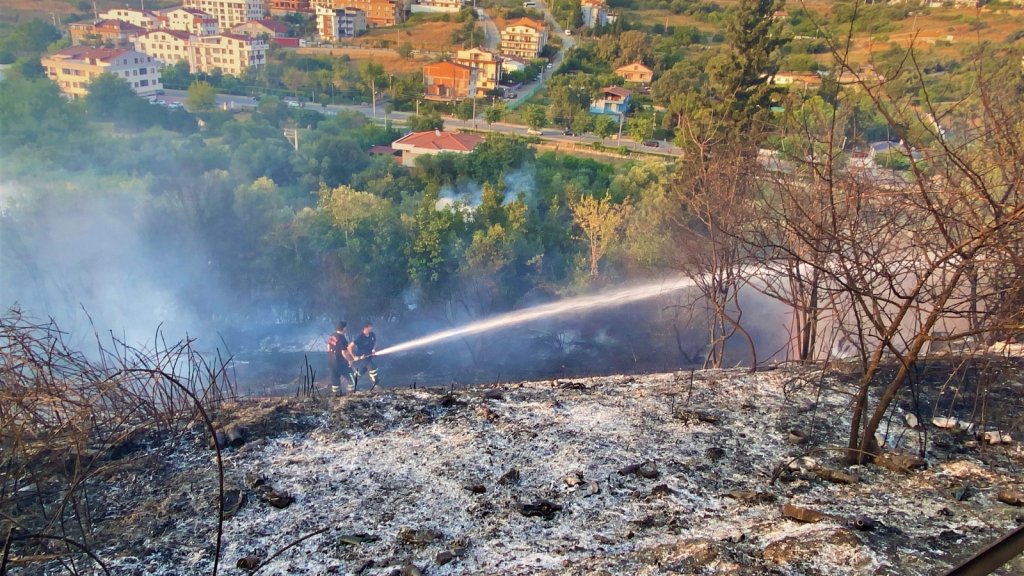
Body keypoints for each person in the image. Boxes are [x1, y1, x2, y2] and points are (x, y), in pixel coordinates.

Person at [327, 321, 356, 396]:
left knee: (335, 379)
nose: (346, 329)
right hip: (340, 362)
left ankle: (336, 395)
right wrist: (350, 360)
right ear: (343, 328)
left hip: (331, 362)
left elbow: (328, 347)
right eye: (345, 327)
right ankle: (351, 394)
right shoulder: (342, 338)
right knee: (352, 377)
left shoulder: (332, 336)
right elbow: (344, 352)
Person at [348, 322, 380, 391]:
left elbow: (375, 342)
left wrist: (374, 349)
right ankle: (376, 385)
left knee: (360, 372)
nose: (372, 328)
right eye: (370, 326)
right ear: (365, 328)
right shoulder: (360, 337)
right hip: (362, 358)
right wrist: (354, 357)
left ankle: (351, 385)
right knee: (372, 368)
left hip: (369, 357)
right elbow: (349, 347)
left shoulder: (372, 335)